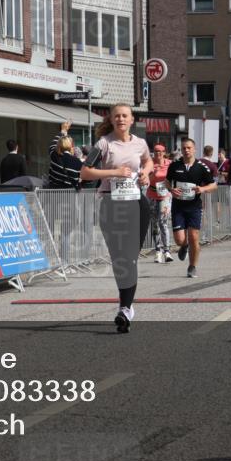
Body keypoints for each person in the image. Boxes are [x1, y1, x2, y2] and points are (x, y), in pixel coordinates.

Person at [80, 104, 153, 333]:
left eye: (125, 116)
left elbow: (148, 161)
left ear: (132, 119)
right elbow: (85, 172)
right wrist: (114, 172)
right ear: (111, 120)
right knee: (119, 258)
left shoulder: (140, 143)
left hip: (136, 203)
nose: (121, 119)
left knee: (129, 257)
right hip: (111, 203)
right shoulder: (104, 143)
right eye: (117, 116)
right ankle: (126, 306)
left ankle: (125, 308)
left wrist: (145, 174)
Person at [167, 138, 217, 277]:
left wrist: (202, 188)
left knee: (194, 237)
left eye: (189, 148)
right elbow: (166, 182)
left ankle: (192, 266)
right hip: (178, 207)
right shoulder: (174, 165)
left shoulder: (202, 167)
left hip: (194, 207)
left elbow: (213, 185)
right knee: (179, 239)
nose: (186, 150)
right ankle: (184, 246)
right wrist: (171, 189)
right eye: (184, 148)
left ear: (194, 149)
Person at [146, 143, 173, 264]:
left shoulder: (169, 163)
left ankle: (167, 251)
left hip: (165, 196)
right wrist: (152, 173)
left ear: (164, 152)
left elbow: (174, 177)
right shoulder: (150, 164)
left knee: (163, 222)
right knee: (155, 224)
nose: (158, 153)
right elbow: (146, 179)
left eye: (161, 151)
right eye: (156, 151)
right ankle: (158, 251)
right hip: (152, 195)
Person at [47, 121, 82, 189]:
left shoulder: (55, 156)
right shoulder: (77, 162)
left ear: (58, 146)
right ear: (71, 146)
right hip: (71, 196)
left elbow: (52, 145)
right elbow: (79, 180)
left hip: (53, 194)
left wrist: (63, 131)